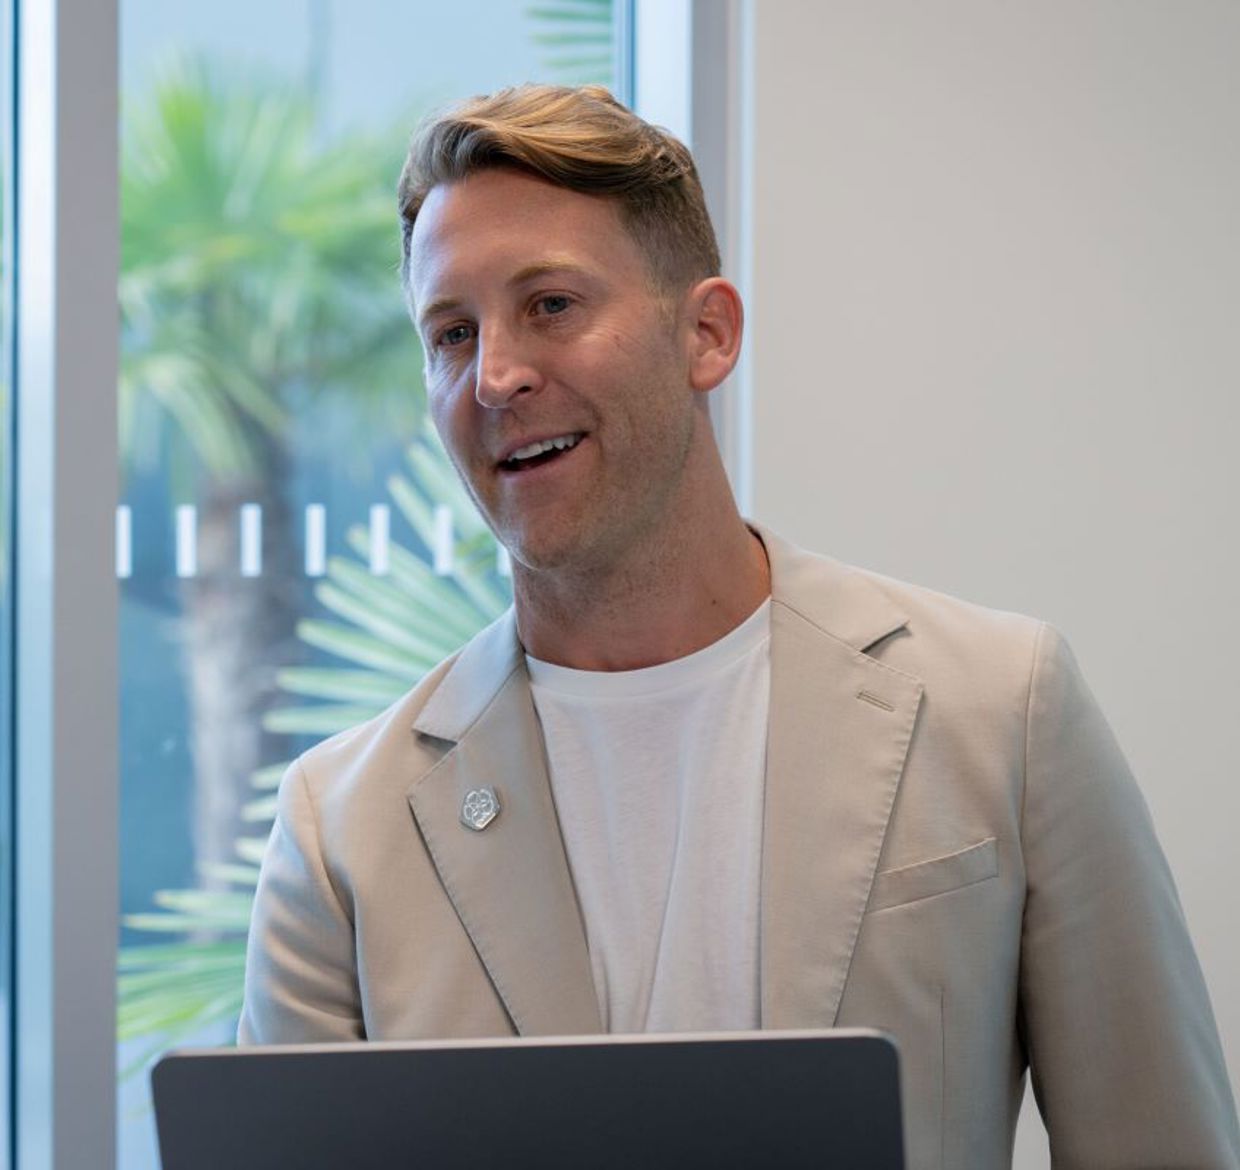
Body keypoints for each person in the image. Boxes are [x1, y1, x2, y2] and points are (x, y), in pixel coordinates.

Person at [239, 84, 1240, 1168]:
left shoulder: (1001, 708)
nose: (497, 375)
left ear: (706, 334)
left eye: (552, 305)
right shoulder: (342, 830)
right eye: (451, 333)